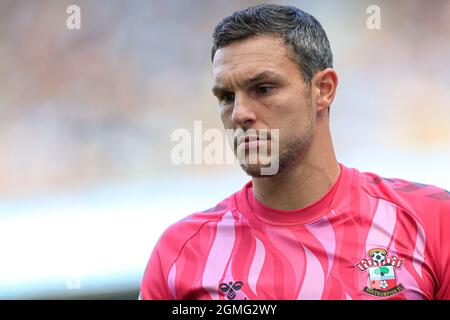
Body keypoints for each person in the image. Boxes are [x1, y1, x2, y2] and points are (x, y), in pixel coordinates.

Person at [139, 4, 450, 300]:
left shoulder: (432, 220)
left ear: (323, 89)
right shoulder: (181, 254)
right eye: (226, 96)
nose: (239, 114)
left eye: (263, 89)